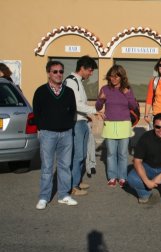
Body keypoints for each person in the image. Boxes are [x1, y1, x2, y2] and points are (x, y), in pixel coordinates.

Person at [33, 61, 78, 209]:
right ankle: (44, 197)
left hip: (66, 134)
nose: (59, 74)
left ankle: (64, 195)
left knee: (65, 166)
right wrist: (43, 128)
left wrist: (69, 126)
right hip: (48, 134)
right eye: (55, 71)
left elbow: (73, 111)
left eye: (61, 71)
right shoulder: (40, 91)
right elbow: (36, 112)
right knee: (47, 167)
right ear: (48, 73)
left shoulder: (69, 92)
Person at [64, 55, 102, 196]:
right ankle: (73, 186)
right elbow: (76, 104)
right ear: (82, 68)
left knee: (82, 154)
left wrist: (89, 116)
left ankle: (77, 181)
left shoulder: (79, 81)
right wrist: (95, 111)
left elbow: (81, 104)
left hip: (82, 122)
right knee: (78, 155)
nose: (91, 74)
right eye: (90, 70)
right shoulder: (71, 81)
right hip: (76, 123)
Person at [96, 65, 138, 188]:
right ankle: (112, 177)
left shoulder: (127, 89)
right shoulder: (105, 89)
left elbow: (134, 106)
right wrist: (100, 99)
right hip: (109, 125)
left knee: (123, 154)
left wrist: (128, 94)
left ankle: (122, 177)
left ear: (121, 77)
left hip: (124, 125)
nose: (113, 79)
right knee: (110, 153)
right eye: (111, 76)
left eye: (116, 76)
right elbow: (98, 107)